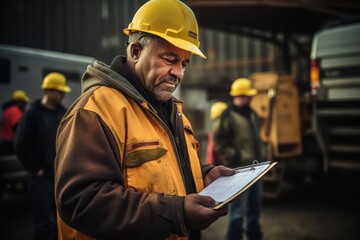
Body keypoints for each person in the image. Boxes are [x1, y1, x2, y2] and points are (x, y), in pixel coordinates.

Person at [54, 1, 235, 240]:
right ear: (136, 52)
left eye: (184, 63)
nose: (179, 73)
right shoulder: (95, 110)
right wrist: (175, 213)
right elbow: (81, 201)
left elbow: (161, 169)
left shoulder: (170, 110)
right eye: (170, 59)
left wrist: (203, 176)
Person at [15, 72, 71, 240]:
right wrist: (35, 169)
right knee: (43, 224)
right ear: (48, 90)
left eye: (62, 92)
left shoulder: (63, 113)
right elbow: (21, 144)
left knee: (61, 221)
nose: (62, 95)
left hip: (59, 177)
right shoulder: (32, 114)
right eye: (59, 91)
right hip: (41, 178)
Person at [213, 78, 266, 240]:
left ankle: (254, 236)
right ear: (239, 95)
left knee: (254, 211)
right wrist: (233, 156)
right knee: (237, 213)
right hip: (239, 171)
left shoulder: (252, 114)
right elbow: (220, 141)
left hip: (256, 169)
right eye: (246, 95)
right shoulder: (228, 116)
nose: (249, 98)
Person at [0, 90, 29, 154]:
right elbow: (18, 128)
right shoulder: (15, 111)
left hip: (5, 142)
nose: (25, 104)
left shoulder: (8, 110)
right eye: (23, 102)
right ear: (18, 101)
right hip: (10, 143)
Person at [206, 101, 228, 165]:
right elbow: (211, 150)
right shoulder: (220, 127)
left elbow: (210, 151)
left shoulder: (215, 127)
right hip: (223, 165)